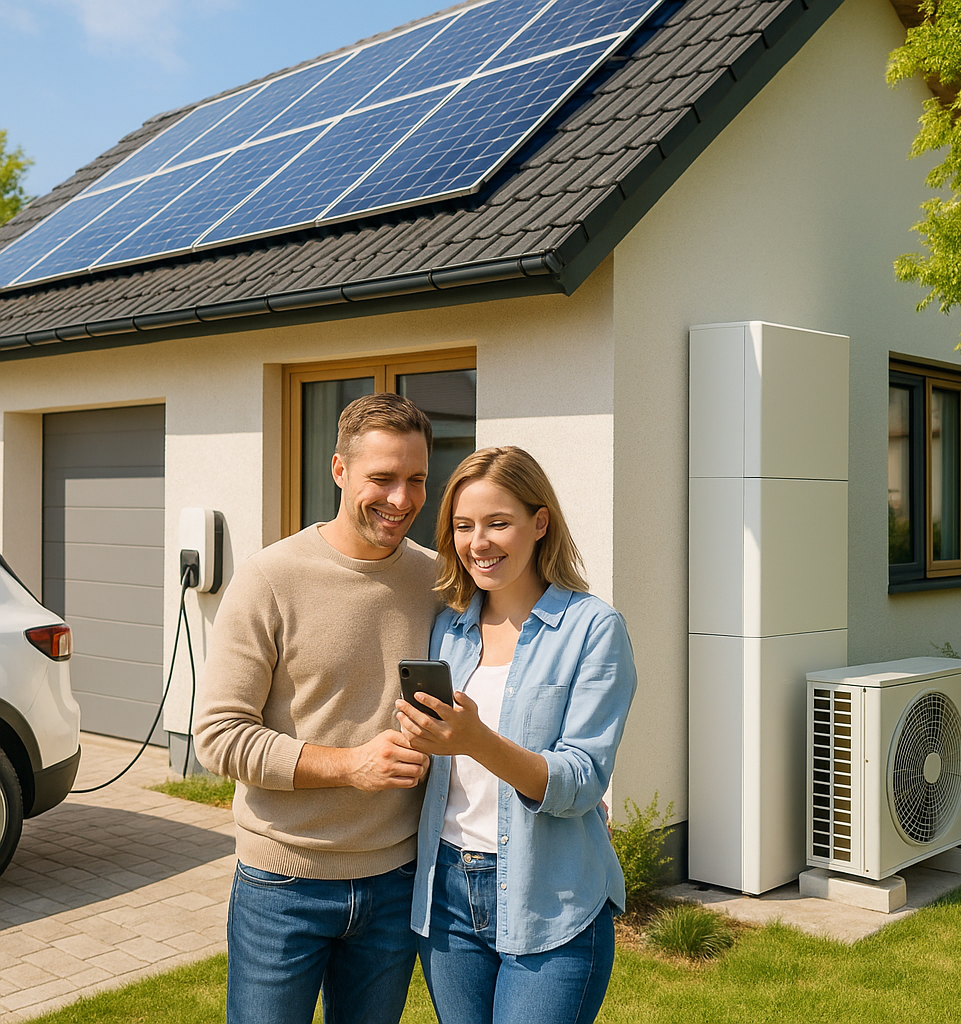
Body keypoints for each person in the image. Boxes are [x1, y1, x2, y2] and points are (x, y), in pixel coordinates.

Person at [193, 392, 439, 1024]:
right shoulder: (270, 578)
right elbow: (219, 736)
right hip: (283, 882)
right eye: (381, 478)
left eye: (416, 479)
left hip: (395, 880)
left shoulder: (438, 582)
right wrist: (350, 765)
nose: (402, 499)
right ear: (338, 470)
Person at [395, 446, 637, 1024]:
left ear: (540, 523)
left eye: (498, 522)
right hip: (448, 892)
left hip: (549, 895)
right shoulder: (447, 629)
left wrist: (475, 739)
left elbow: (581, 781)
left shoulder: (593, 629)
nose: (479, 541)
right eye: (463, 525)